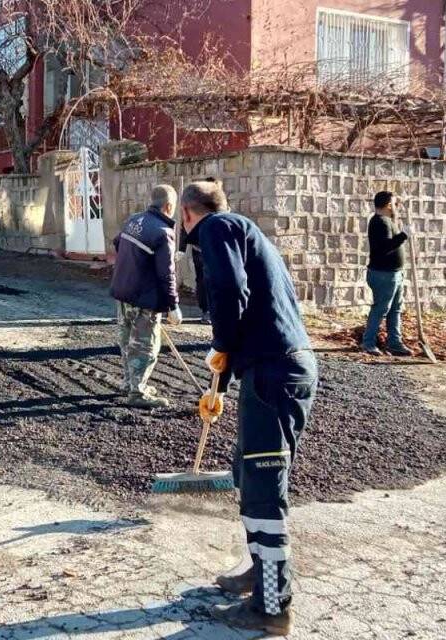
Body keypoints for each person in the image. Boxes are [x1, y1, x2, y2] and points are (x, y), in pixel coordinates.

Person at [179, 180, 316, 636]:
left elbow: (229, 289)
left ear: (187, 214)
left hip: (274, 373)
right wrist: (226, 372)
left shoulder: (217, 228)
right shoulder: (246, 232)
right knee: (247, 469)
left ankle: (272, 606)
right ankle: (260, 572)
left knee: (263, 488)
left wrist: (221, 344)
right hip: (279, 368)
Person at [109, 184, 183, 409]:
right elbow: (166, 273)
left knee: (126, 340)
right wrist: (173, 305)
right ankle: (138, 393)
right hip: (143, 298)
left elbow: (117, 243)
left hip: (122, 292)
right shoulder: (163, 232)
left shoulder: (133, 221)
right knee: (145, 346)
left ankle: (129, 383)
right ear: (168, 206)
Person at [362, 191, 412, 356]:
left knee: (395, 309)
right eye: (395, 204)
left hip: (394, 274)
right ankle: (368, 343)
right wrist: (404, 235)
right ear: (389, 205)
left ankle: (395, 343)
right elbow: (385, 248)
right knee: (381, 309)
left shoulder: (387, 221)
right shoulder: (379, 223)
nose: (397, 207)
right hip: (383, 274)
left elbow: (391, 243)